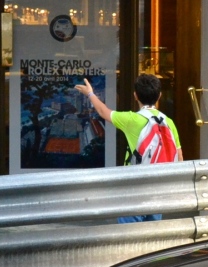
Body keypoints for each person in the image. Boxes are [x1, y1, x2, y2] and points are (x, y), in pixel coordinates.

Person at [75, 73, 182, 223]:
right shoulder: (168, 122)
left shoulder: (132, 119)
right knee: (153, 235)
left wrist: (90, 93)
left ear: (135, 95)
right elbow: (179, 156)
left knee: (129, 236)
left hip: (134, 188)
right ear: (160, 96)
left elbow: (103, 112)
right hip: (159, 188)